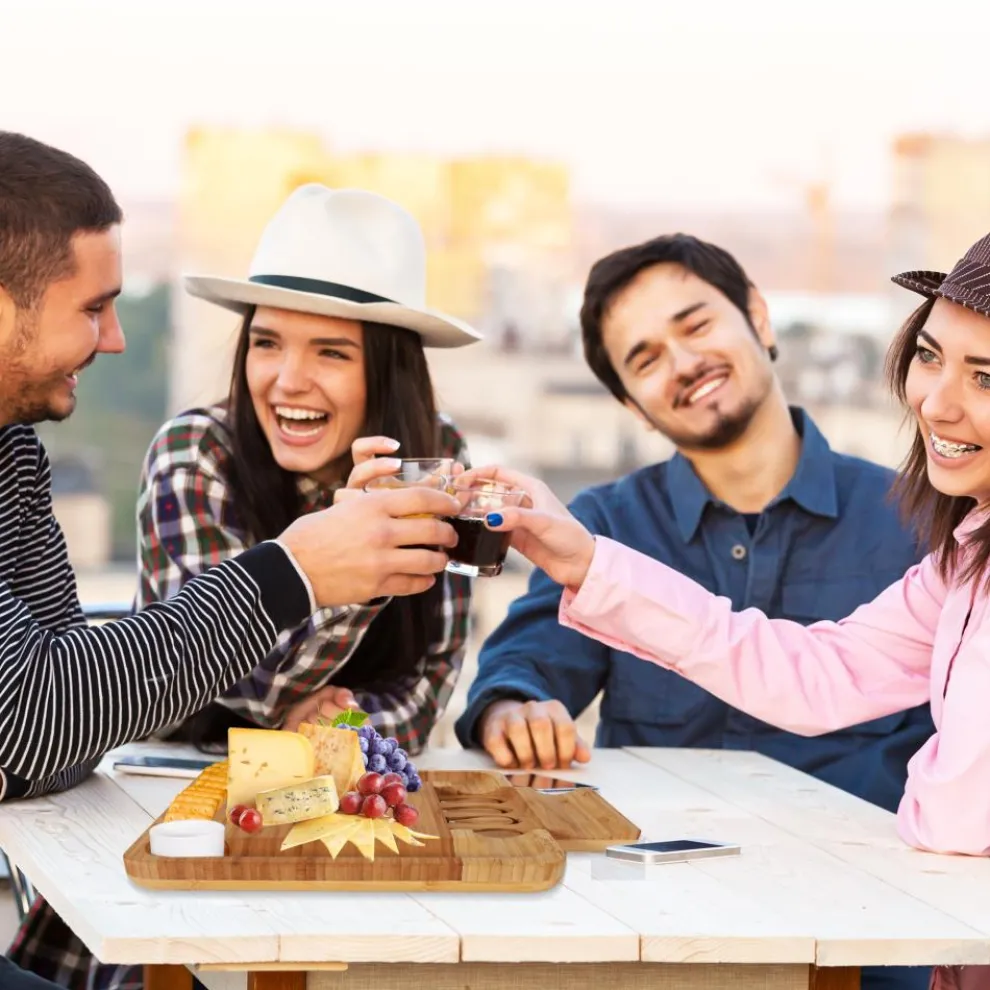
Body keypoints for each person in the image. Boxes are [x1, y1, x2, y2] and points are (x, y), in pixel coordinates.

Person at [463, 231, 990, 990]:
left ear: (758, 318)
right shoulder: (960, 557)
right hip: (707, 936)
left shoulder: (909, 517)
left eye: (985, 375)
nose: (936, 402)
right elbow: (815, 672)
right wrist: (583, 563)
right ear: (628, 404)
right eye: (930, 356)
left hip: (887, 946)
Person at [0, 133, 462, 990]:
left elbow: (57, 740)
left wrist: (340, 732)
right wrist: (320, 567)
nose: (117, 340)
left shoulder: (11, 453)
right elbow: (46, 718)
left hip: (306, 832)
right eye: (95, 308)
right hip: (174, 846)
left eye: (332, 351)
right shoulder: (195, 453)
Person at [457, 234, 931, 813]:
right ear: (632, 406)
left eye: (697, 326)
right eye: (647, 360)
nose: (684, 364)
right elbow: (529, 662)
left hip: (866, 863)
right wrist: (513, 711)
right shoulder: (604, 526)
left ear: (758, 317)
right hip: (656, 859)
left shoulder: (922, 519)